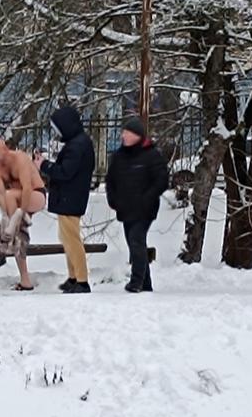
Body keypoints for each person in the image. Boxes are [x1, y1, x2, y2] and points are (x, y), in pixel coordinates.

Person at [104, 117, 169, 293]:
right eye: (123, 132)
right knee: (135, 244)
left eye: (127, 132)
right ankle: (146, 282)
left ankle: (136, 281)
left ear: (137, 136)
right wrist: (113, 199)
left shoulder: (151, 155)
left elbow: (162, 180)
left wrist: (147, 197)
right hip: (126, 209)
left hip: (144, 209)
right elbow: (110, 180)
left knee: (136, 240)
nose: (123, 135)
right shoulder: (118, 156)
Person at [41, 105, 96, 293]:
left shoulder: (77, 145)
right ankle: (73, 277)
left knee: (72, 239)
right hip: (69, 198)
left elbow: (65, 172)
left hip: (70, 198)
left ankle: (81, 280)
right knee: (67, 238)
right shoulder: (78, 143)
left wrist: (44, 165)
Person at [0, 137, 46, 290]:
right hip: (14, 202)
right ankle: (25, 279)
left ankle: (16, 220)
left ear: (5, 149)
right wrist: (5, 215)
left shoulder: (20, 159)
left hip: (35, 195)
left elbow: (27, 188)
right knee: (18, 236)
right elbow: (2, 193)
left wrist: (21, 212)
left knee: (12, 197)